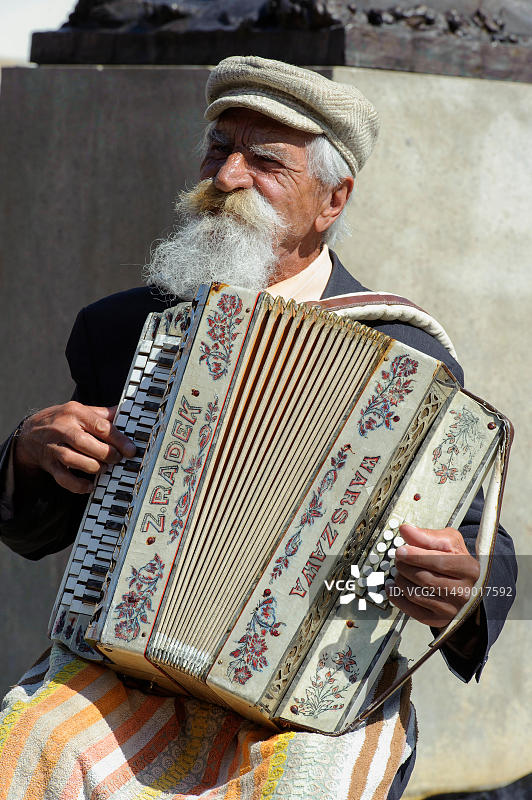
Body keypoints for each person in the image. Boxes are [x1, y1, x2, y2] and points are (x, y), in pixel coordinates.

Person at [0, 56, 516, 800]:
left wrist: (468, 591)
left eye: (266, 161)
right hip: (131, 679)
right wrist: (27, 452)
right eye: (219, 149)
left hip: (311, 705)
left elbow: (491, 556)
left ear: (332, 199)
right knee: (25, 744)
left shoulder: (410, 359)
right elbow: (37, 528)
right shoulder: (124, 329)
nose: (229, 177)